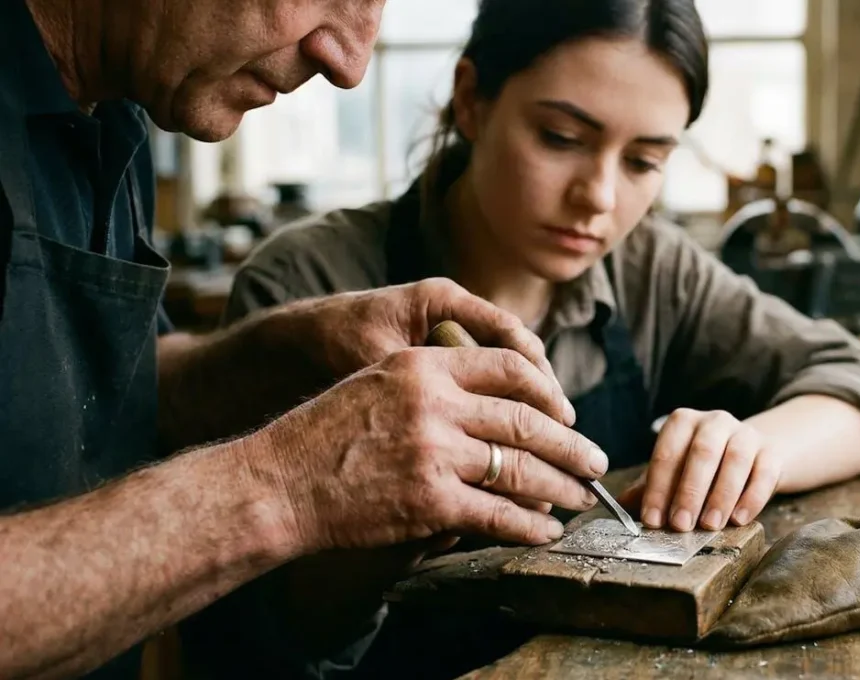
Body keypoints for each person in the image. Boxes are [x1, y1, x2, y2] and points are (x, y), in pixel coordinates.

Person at [222, 0, 860, 671]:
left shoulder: (652, 270)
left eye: (643, 161)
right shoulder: (305, 286)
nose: (600, 198)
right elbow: (264, 636)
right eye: (561, 138)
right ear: (471, 100)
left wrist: (758, 450)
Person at [0, 0, 609, 678]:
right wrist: (286, 486)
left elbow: (99, 400)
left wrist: (283, 354)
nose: (348, 64)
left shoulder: (113, 109)